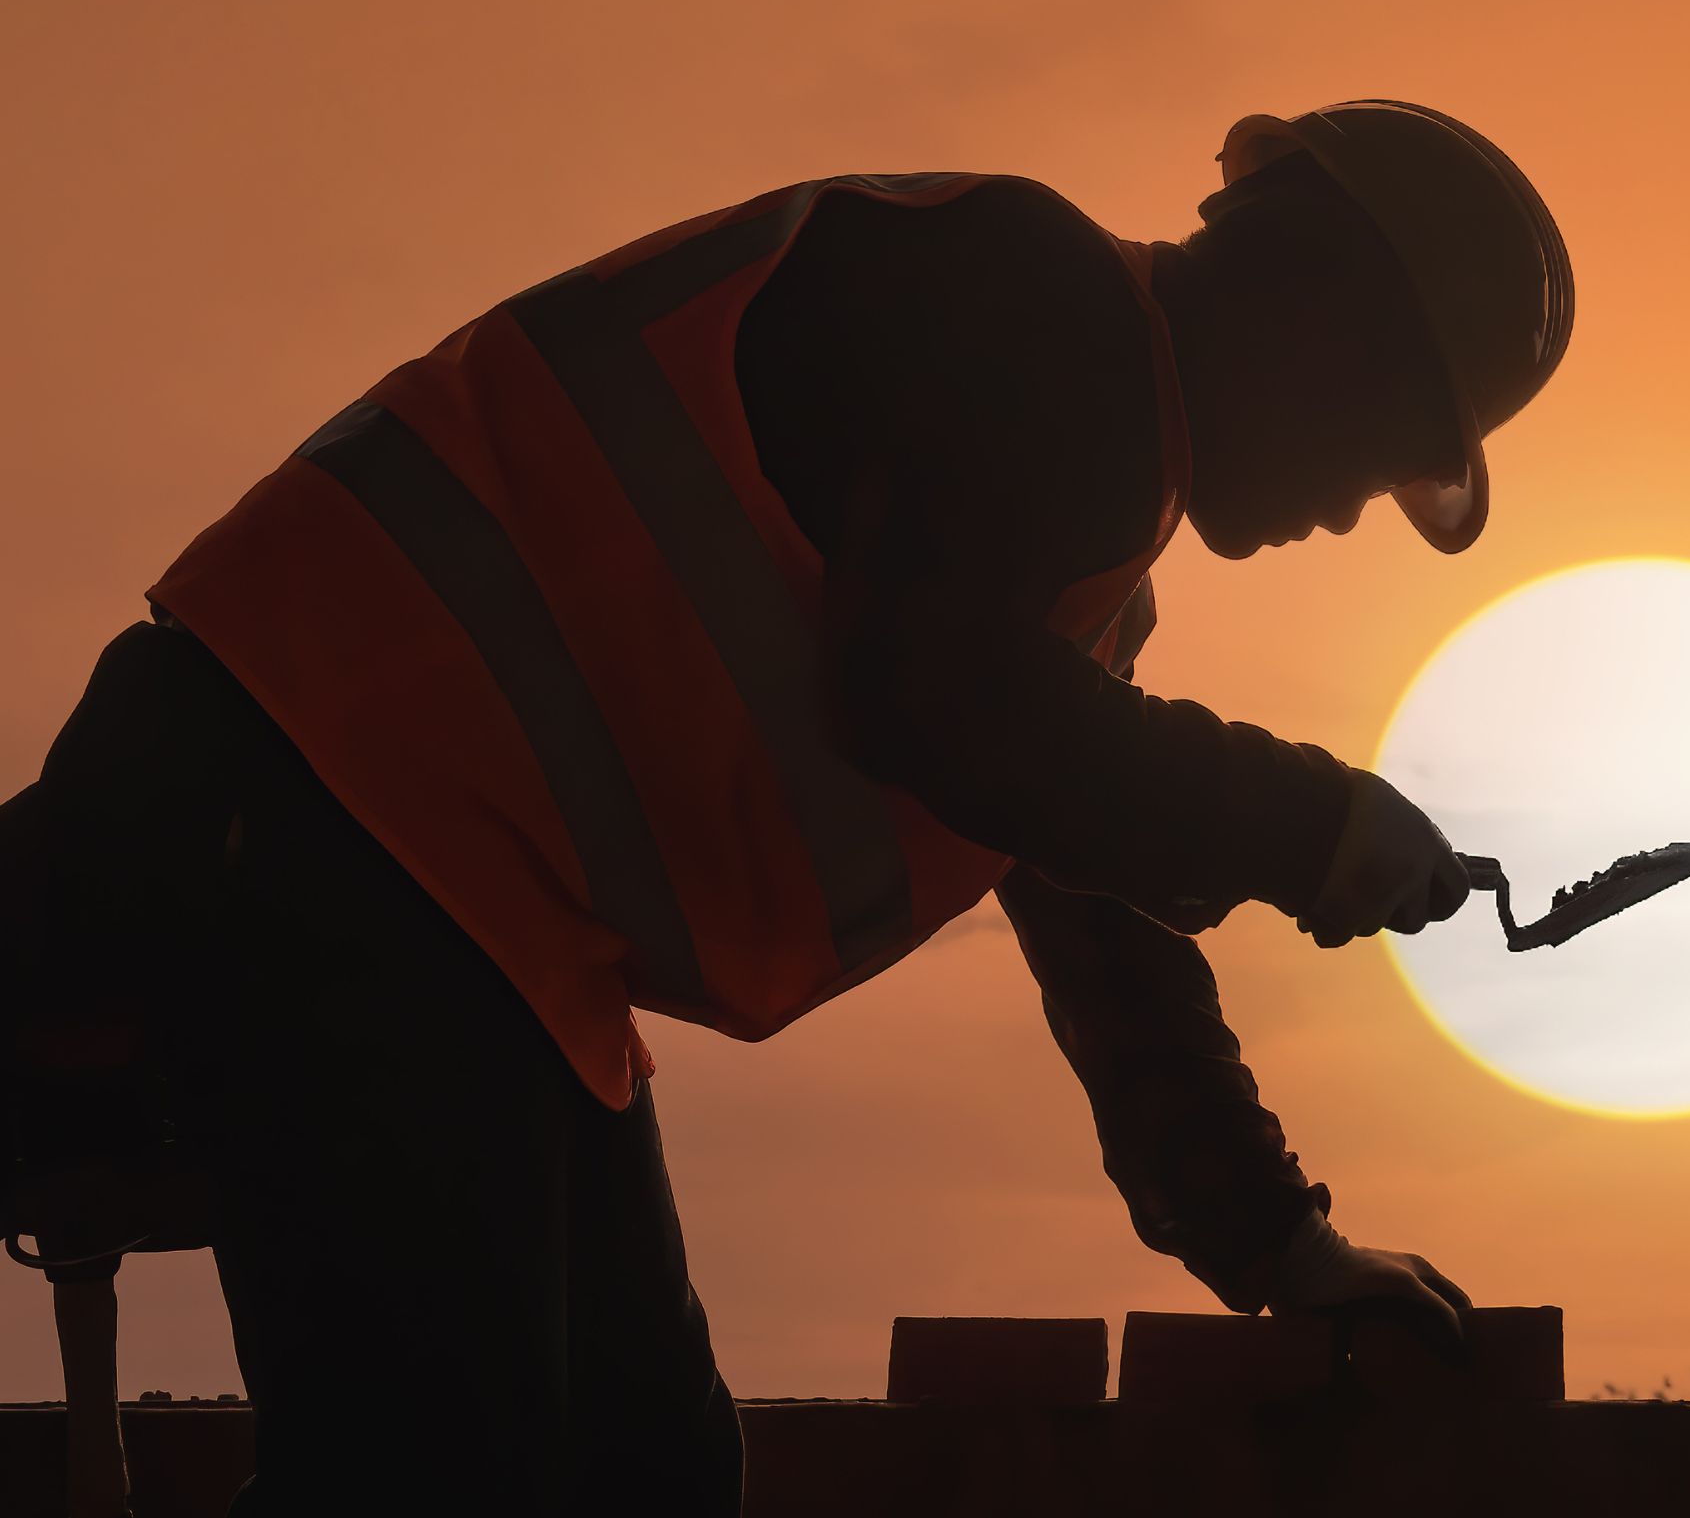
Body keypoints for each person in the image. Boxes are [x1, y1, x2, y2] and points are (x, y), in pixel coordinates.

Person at [2, 96, 1572, 1515]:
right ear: (1318, 314)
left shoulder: (1074, 544)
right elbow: (944, 707)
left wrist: (1271, 1240)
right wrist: (1304, 823)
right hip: (329, 798)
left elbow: (1091, 901)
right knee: (442, 1474)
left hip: (473, 899)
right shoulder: (1036, 307)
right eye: (1385, 441)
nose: (1354, 503)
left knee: (645, 1471)